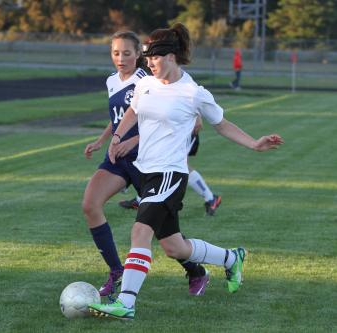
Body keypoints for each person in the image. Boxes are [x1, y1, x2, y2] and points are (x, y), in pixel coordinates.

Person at [88, 23, 283, 320]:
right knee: (174, 247)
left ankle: (125, 303)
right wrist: (116, 138)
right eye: (147, 57)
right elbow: (133, 111)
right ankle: (232, 258)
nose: (149, 63)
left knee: (140, 231)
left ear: (171, 56)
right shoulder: (146, 84)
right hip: (145, 170)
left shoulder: (193, 93)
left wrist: (254, 144)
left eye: (154, 57)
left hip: (170, 174)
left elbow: (222, 124)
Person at [82, 31, 209, 300]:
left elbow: (161, 118)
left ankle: (195, 270)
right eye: (115, 53)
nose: (121, 58)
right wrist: (102, 140)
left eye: (127, 53)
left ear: (139, 54)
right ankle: (117, 272)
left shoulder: (148, 79)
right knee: (90, 205)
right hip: (117, 158)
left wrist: (134, 139)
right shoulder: (112, 81)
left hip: (148, 160)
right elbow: (119, 117)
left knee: (166, 238)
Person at [119, 115, 222, 216]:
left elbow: (193, 98)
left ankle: (211, 198)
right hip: (169, 126)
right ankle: (141, 198)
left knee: (180, 164)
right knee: (156, 160)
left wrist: (197, 116)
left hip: (183, 126)